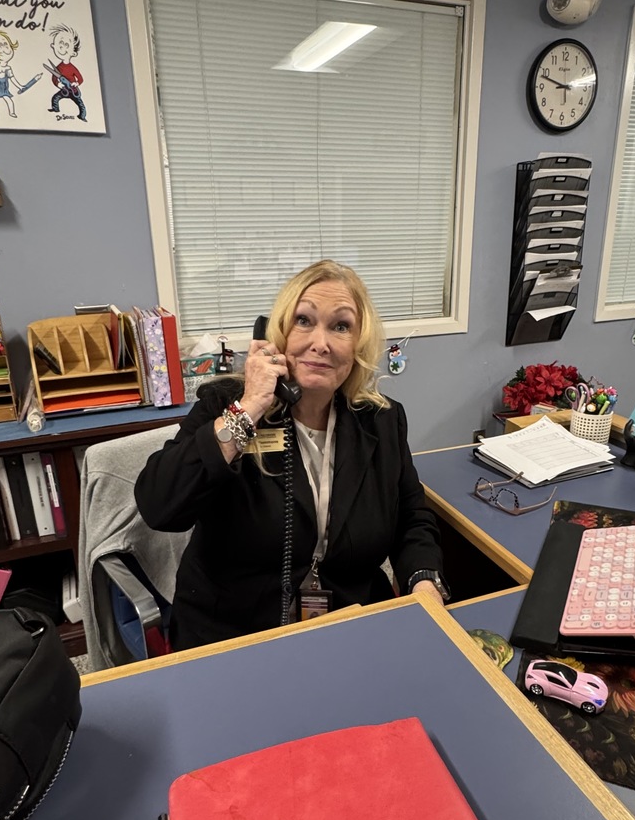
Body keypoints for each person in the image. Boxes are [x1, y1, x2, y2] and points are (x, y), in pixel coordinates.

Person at [135, 259, 449, 649]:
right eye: (304, 321)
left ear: (358, 344)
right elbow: (159, 506)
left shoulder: (381, 420)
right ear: (277, 334)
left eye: (340, 326)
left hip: (348, 624)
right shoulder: (226, 406)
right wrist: (248, 408)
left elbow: (410, 517)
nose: (321, 342)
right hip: (234, 635)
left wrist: (424, 582)